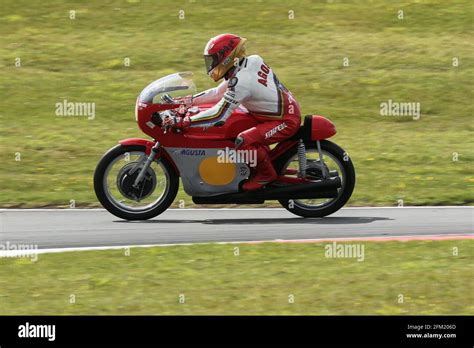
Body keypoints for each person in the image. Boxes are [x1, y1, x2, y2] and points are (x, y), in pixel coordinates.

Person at [164, 34, 301, 191]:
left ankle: (266, 175)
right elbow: (217, 93)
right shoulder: (250, 62)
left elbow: (218, 115)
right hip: (270, 112)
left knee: (243, 140)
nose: (212, 64)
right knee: (235, 124)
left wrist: (186, 121)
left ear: (227, 57)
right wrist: (187, 101)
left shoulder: (242, 82)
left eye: (214, 59)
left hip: (285, 121)